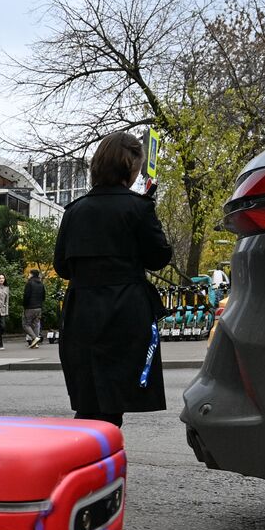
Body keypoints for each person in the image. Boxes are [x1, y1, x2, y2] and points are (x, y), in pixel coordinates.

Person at [54, 131, 172, 427]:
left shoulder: (74, 212)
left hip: (82, 315)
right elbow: (159, 257)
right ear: (130, 167)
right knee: (112, 403)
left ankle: (89, 464)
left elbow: (62, 267)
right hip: (124, 313)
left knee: (91, 401)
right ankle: (93, 467)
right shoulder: (139, 208)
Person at [23, 269, 46, 349]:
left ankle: (34, 338)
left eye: (29, 274)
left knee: (26, 324)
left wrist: (24, 305)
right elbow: (43, 296)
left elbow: (26, 296)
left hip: (30, 307)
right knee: (35, 325)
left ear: (32, 274)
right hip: (39, 307)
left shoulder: (29, 283)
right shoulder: (41, 284)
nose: (28, 275)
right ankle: (35, 343)